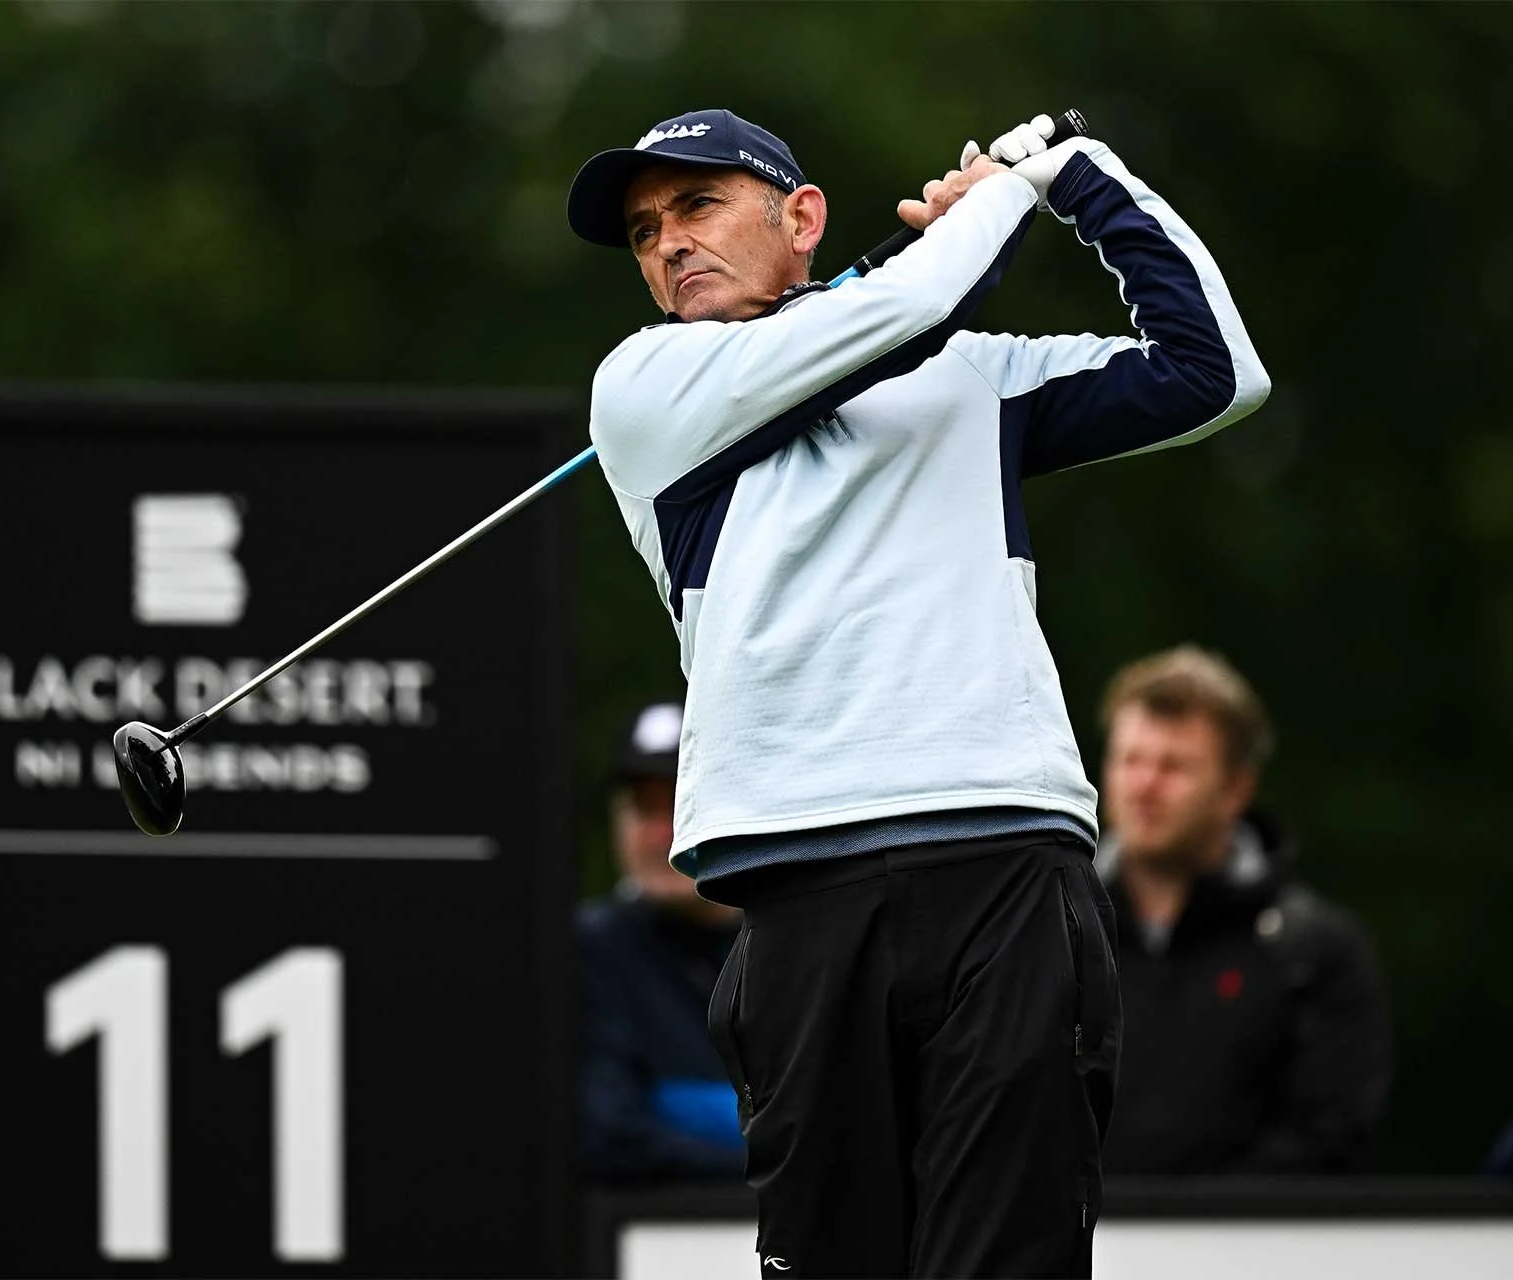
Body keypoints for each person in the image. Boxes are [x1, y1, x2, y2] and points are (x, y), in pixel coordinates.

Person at [567, 107, 1269, 1277]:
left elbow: (1214, 374)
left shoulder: (969, 378)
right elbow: (906, 305)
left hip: (1002, 858)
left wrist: (1074, 177)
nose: (669, 245)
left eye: (697, 206)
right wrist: (997, 190)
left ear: (803, 219)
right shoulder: (647, 386)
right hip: (797, 887)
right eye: (645, 231)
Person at [1094, 645, 1390, 1175]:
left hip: (1251, 1254)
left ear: (1235, 788)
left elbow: (1328, 1142)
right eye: (1130, 760)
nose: (1144, 785)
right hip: (1081, 1255)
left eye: (1173, 766)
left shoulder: (1311, 953)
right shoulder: (1059, 936)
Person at [576, 700, 747, 1184]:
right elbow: (608, 1137)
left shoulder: (797, 949)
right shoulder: (588, 951)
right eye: (641, 808)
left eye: (678, 804)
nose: (660, 834)